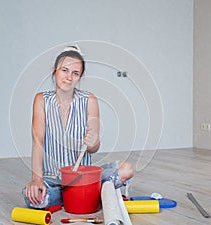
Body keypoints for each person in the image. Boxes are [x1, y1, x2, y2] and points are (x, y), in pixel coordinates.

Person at [23, 45, 134, 208]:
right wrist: (37, 179)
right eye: (64, 70)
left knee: (127, 169)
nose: (69, 77)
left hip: (84, 178)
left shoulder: (89, 100)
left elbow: (94, 147)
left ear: (80, 77)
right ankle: (90, 195)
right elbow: (37, 141)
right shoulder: (41, 100)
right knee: (34, 197)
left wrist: (93, 142)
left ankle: (77, 194)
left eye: (75, 73)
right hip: (53, 178)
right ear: (54, 71)